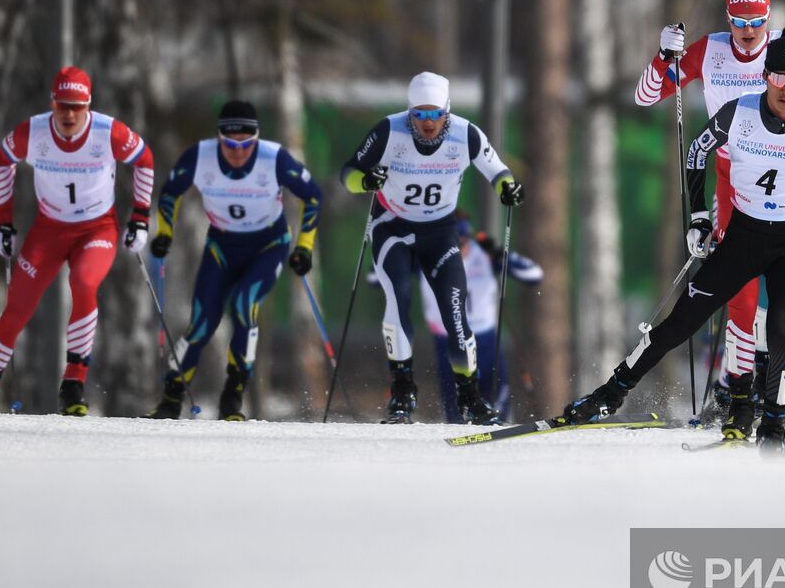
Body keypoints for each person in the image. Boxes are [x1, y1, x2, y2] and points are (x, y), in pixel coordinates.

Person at [561, 29, 785, 456]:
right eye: (778, 76)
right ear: (765, 76)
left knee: (782, 325)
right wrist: (700, 218)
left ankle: (776, 423)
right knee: (682, 320)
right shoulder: (738, 112)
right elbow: (696, 153)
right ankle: (610, 394)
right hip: (744, 236)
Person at [636, 0, 785, 438]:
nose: (749, 29)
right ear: (728, 16)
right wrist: (663, 56)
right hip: (730, 178)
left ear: (768, 16)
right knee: (738, 298)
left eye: (758, 18)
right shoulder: (709, 50)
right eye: (740, 19)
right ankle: (738, 394)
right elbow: (647, 95)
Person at [0, 67, 154, 415]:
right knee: (17, 306)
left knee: (84, 282)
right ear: (52, 103)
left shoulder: (108, 132)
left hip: (96, 228)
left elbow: (144, 159)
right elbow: (2, 159)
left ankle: (73, 385)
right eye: (62, 106)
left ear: (89, 106)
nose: (70, 114)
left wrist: (140, 218)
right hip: (50, 228)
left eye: (77, 106)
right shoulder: (34, 132)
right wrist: (5, 223)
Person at [342, 71, 524, 425]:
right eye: (419, 115)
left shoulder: (466, 133)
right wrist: (365, 180)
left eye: (435, 114)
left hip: (440, 232)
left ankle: (470, 397)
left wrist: (507, 187)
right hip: (392, 227)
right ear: (409, 112)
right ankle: (402, 392)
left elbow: (498, 170)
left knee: (456, 316)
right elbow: (348, 173)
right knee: (399, 300)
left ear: (447, 111)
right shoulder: (388, 131)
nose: (427, 123)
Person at [145, 101, 323, 421]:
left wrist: (304, 247)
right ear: (219, 138)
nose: (238, 152)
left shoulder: (274, 158)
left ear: (256, 139)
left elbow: (312, 195)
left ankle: (233, 395)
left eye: (246, 144)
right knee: (201, 324)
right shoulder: (200, 157)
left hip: (268, 244)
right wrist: (165, 233)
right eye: (230, 144)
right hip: (222, 246)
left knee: (244, 305)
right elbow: (170, 192)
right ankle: (171, 399)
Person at [419, 215, 543, 423]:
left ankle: (499, 437)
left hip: (485, 339)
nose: (459, 248)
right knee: (456, 408)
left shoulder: (484, 256)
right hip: (447, 340)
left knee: (496, 402)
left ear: (469, 238)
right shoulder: (429, 254)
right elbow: (377, 276)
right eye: (453, 243)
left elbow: (534, 275)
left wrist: (500, 255)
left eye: (463, 242)